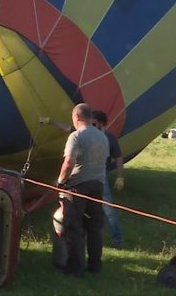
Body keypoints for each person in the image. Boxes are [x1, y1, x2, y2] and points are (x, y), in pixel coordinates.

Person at [56, 103, 109, 276]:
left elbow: (69, 162)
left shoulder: (76, 136)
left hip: (78, 186)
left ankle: (75, 268)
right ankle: (95, 265)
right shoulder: (102, 137)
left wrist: (61, 181)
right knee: (94, 227)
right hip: (98, 185)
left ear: (77, 117)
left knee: (74, 227)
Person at [92, 110, 124, 249]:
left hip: (100, 175)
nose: (91, 125)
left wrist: (120, 176)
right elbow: (69, 128)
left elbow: (118, 157)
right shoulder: (88, 133)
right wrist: (50, 122)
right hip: (85, 173)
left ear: (101, 123)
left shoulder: (110, 138)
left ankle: (117, 239)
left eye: (94, 123)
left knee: (108, 209)